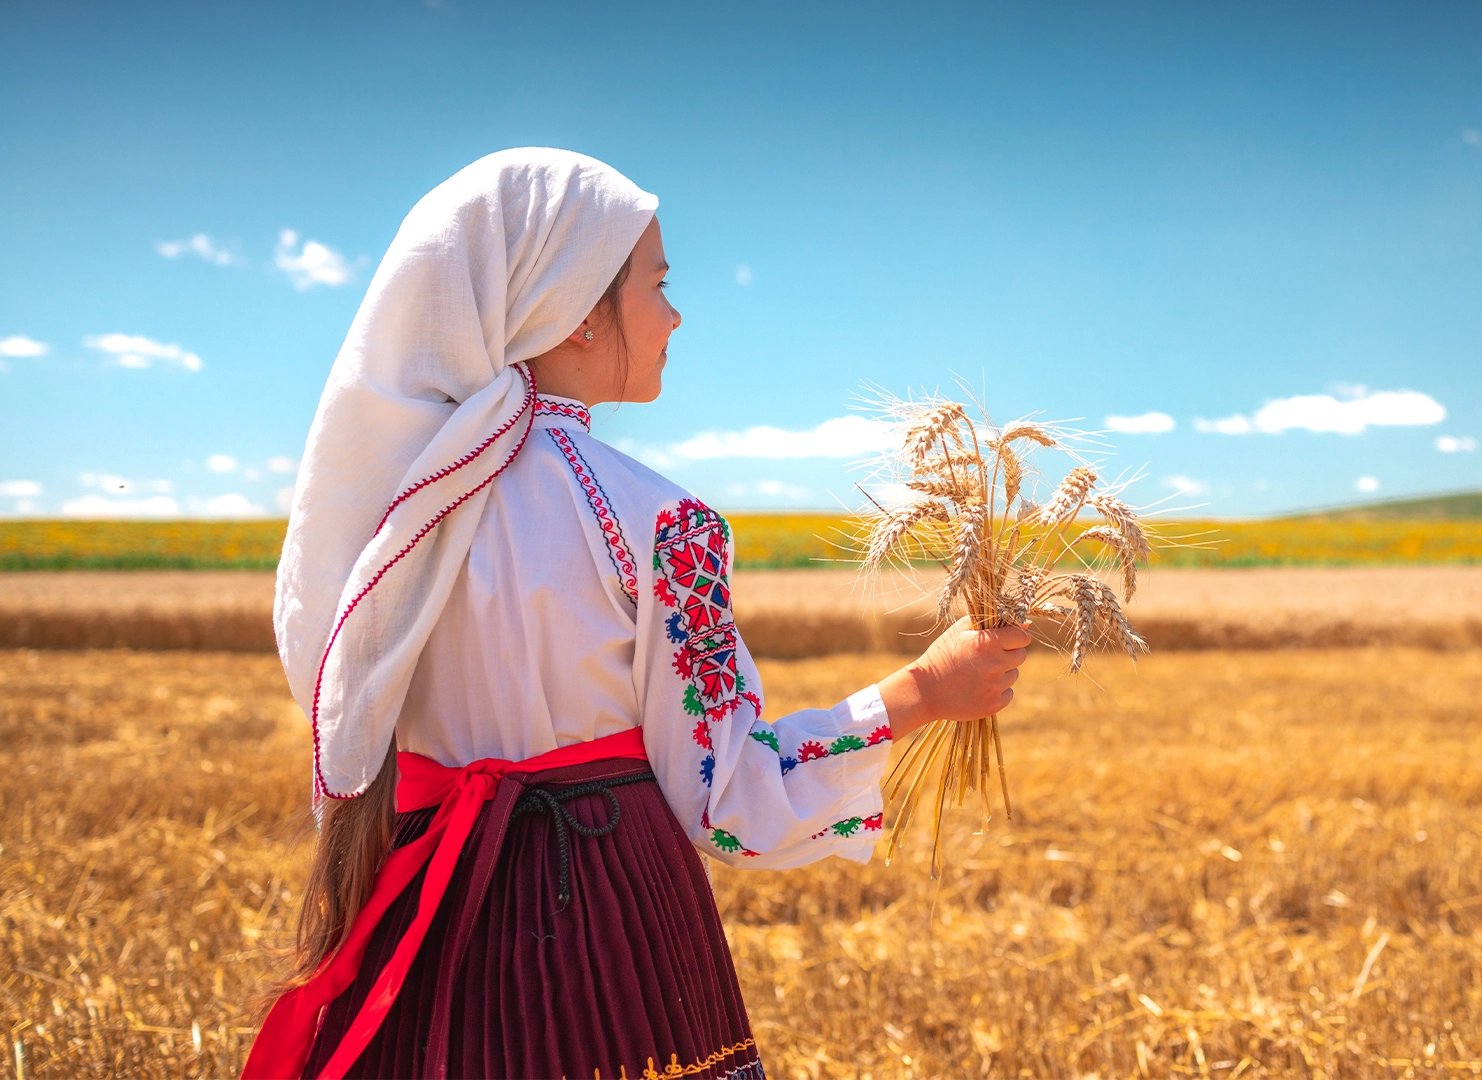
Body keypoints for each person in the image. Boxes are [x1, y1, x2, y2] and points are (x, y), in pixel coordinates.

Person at [244, 148, 1030, 1080]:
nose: (675, 314)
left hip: (420, 919)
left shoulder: (393, 517)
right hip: (607, 932)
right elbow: (728, 798)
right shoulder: (664, 524)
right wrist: (919, 691)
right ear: (579, 312)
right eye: (657, 284)